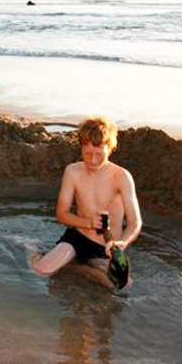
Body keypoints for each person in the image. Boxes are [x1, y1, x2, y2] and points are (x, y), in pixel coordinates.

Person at [32, 116, 142, 290]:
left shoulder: (121, 177)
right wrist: (88, 223)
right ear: (81, 147)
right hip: (77, 238)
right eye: (87, 153)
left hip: (105, 248)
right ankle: (40, 253)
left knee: (122, 286)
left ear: (111, 148)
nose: (92, 160)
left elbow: (135, 222)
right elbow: (62, 215)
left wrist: (123, 243)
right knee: (40, 270)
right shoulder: (73, 172)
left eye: (99, 154)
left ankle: (73, 266)